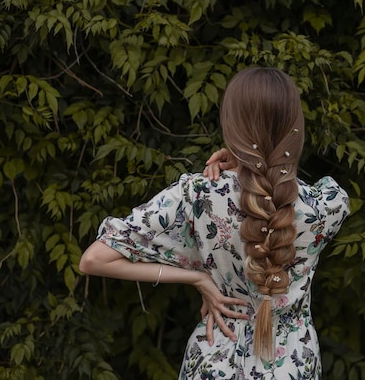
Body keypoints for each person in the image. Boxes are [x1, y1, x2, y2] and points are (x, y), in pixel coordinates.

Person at [79, 66, 350, 380]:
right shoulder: (326, 206)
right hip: (293, 366)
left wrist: (198, 279)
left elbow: (94, 259)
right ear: (295, 126)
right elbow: (292, 187)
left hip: (214, 361)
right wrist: (251, 163)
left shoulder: (196, 195)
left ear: (231, 123)